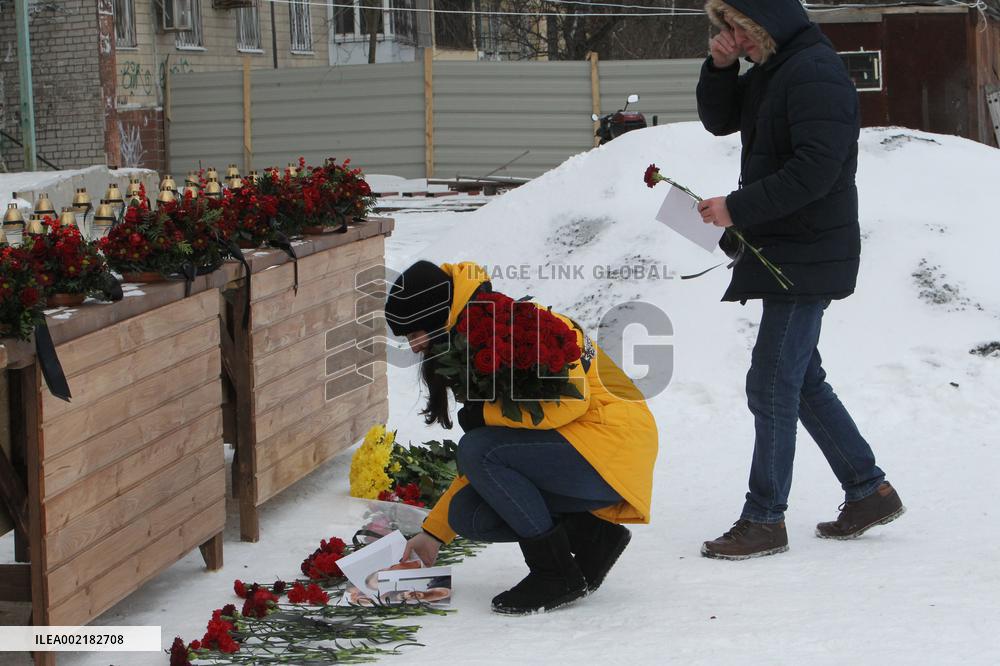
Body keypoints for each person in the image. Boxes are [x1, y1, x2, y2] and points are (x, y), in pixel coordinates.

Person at [694, 0, 904, 560]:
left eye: (739, 28)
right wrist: (720, 68)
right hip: (791, 247)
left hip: (809, 248)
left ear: (766, 23)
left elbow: (817, 167)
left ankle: (764, 518)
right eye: (727, 30)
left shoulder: (812, 70)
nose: (734, 37)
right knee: (799, 377)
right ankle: (869, 489)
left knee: (771, 381)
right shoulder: (778, 67)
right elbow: (721, 120)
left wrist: (737, 208)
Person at [383, 260, 658, 614]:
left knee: (479, 450)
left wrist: (483, 415)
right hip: (578, 447)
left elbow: (572, 403)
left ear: (436, 315)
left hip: (613, 446)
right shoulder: (471, 333)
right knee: (469, 514)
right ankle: (593, 537)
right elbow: (494, 452)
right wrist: (433, 534)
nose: (415, 346)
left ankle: (555, 573)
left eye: (414, 333)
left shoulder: (517, 325)